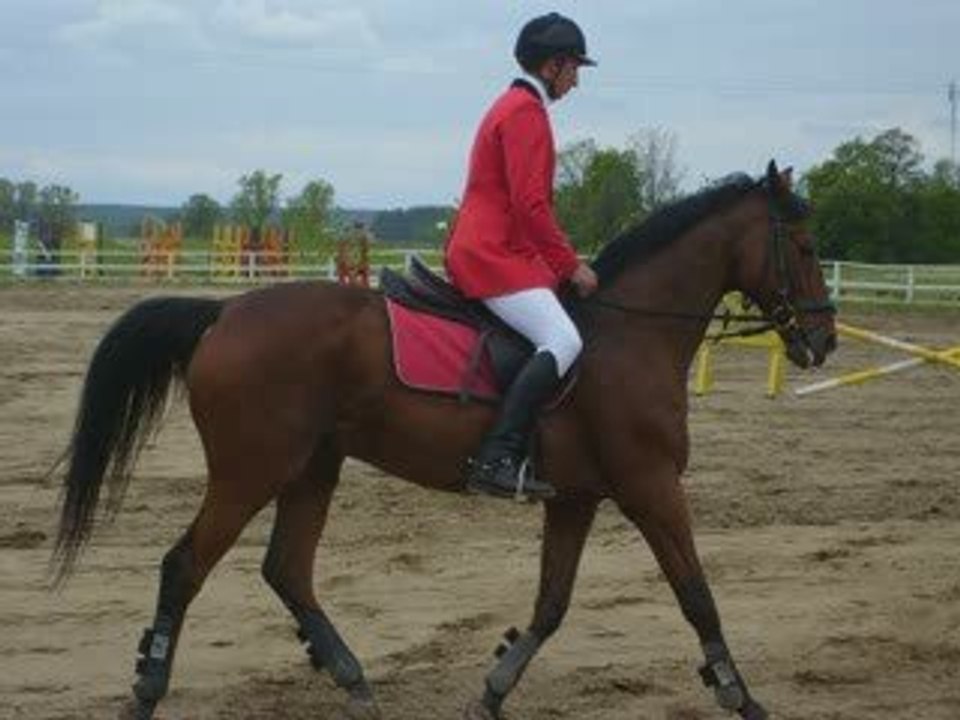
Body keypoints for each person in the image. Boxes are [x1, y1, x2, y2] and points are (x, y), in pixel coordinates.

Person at [444, 12, 599, 501]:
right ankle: (499, 455)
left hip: (498, 249)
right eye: (574, 68)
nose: (576, 81)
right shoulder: (525, 113)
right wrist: (570, 265)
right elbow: (531, 206)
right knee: (563, 339)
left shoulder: (512, 106)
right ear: (552, 66)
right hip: (492, 254)